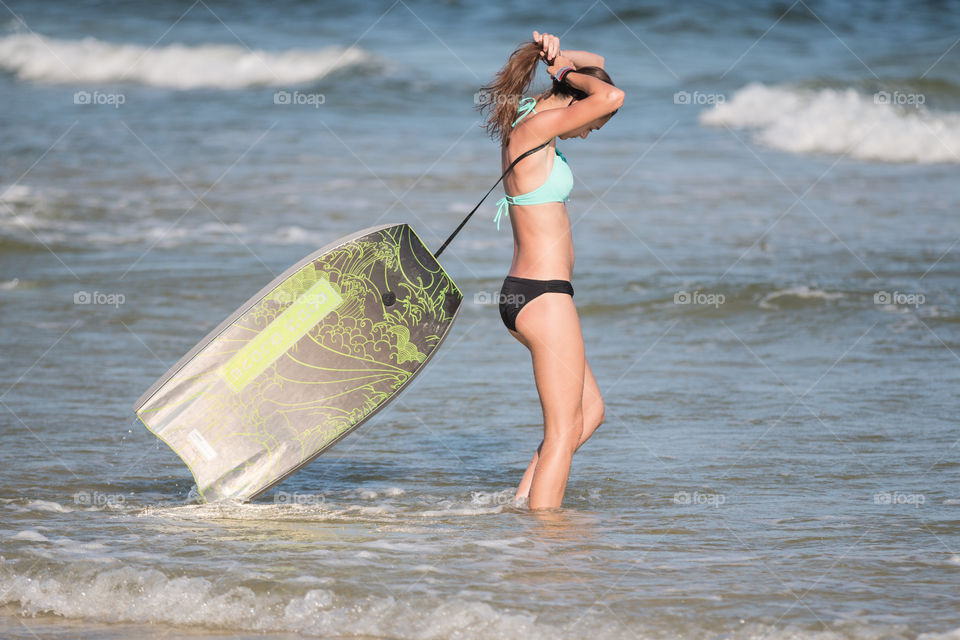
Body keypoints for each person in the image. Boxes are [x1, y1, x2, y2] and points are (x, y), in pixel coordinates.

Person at [476, 31, 624, 509]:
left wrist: (555, 54)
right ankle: (546, 546)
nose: (587, 133)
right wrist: (561, 69)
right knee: (562, 432)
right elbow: (611, 93)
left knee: (591, 412)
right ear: (572, 100)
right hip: (542, 295)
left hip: (531, 293)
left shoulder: (529, 118)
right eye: (592, 125)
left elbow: (598, 63)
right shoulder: (534, 129)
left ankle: (522, 506)